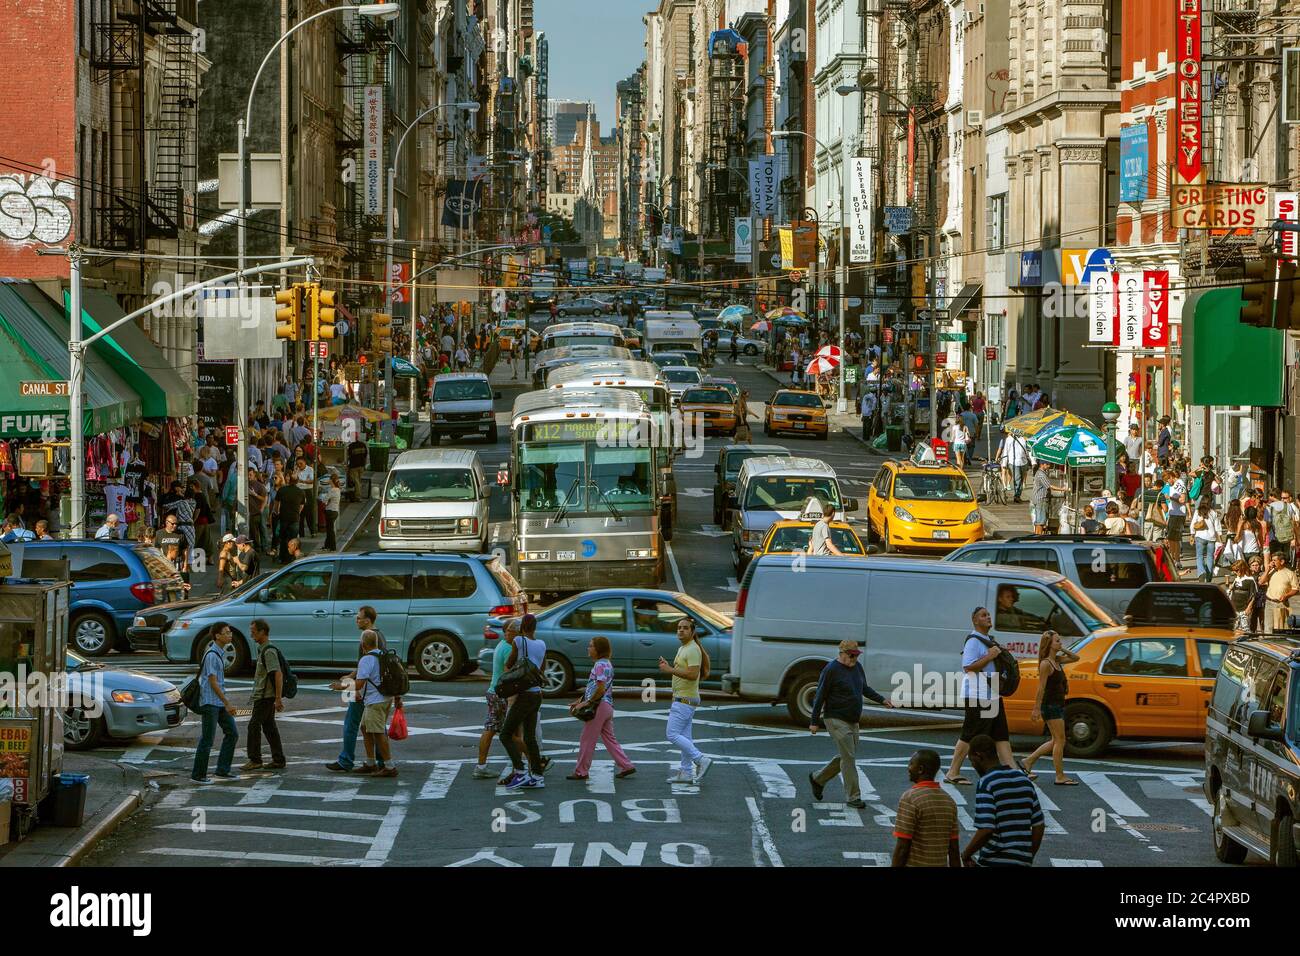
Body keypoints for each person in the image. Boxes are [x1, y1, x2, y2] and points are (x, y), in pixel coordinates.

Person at [808, 639, 892, 808]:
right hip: (835, 718)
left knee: (846, 755)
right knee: (849, 758)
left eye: (856, 655)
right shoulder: (831, 670)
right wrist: (814, 721)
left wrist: (882, 700)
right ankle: (853, 797)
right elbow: (820, 695)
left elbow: (864, 688)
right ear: (842, 654)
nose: (854, 659)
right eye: (851, 656)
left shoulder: (857, 668)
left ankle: (818, 779)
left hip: (853, 720)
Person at [944, 607, 1015, 785]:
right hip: (977, 694)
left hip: (992, 693)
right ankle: (952, 772)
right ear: (976, 621)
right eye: (984, 615)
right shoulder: (973, 642)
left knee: (1001, 734)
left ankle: (1013, 771)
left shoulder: (988, 640)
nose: (988, 617)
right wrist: (990, 656)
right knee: (970, 733)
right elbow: (968, 667)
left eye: (989, 615)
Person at [962, 734, 1045, 867]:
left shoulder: (987, 783)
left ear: (978, 756)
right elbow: (1038, 825)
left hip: (995, 860)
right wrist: (1028, 856)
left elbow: (986, 828)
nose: (972, 765)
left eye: (971, 761)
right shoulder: (1023, 779)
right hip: (1023, 860)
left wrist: (966, 854)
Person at [567, 635, 637, 781]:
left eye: (591, 646)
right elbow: (594, 687)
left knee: (587, 740)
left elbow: (599, 689)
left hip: (599, 706)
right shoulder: (607, 664)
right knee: (609, 739)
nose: (588, 648)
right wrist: (579, 700)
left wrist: (586, 703)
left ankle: (581, 771)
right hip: (607, 706)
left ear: (598, 649)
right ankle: (626, 765)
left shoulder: (599, 665)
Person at [1018, 631, 1080, 785]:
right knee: (1060, 740)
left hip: (1057, 704)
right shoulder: (1046, 664)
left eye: (1060, 640)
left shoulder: (1057, 660)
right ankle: (1059, 776)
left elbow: (1076, 658)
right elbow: (1041, 688)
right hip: (1050, 706)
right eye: (1057, 641)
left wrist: (1062, 649)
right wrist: (1036, 708)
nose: (1060, 643)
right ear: (1049, 644)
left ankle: (1028, 761)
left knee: (1056, 740)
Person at [327, 607, 384, 772]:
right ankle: (379, 761)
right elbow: (367, 663)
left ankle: (346, 760)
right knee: (374, 726)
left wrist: (353, 686)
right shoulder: (377, 635)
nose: (356, 620)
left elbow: (370, 664)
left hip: (365, 689)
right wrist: (351, 674)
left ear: (367, 620)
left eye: (359, 618)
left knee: (351, 723)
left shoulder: (369, 637)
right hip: (370, 688)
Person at [658, 617, 712, 785]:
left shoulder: (692, 649)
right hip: (684, 699)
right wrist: (671, 667)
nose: (681, 630)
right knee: (685, 738)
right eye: (679, 628)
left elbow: (692, 674)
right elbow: (683, 671)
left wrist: (669, 669)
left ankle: (701, 759)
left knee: (672, 734)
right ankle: (686, 772)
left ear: (692, 631)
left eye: (685, 628)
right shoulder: (684, 648)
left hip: (685, 700)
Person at [473, 617, 525, 779]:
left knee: (497, 728)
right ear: (508, 633)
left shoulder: (502, 645)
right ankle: (535, 760)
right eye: (514, 632)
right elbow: (508, 674)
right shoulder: (509, 649)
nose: (517, 636)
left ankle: (519, 764)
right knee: (506, 732)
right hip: (501, 694)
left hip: (494, 692)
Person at [501, 613, 548, 789]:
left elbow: (509, 662)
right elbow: (542, 668)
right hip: (537, 694)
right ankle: (537, 776)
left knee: (506, 734)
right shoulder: (542, 644)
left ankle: (520, 772)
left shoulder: (519, 642)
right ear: (535, 627)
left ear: (522, 627)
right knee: (530, 737)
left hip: (524, 694)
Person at [892, 749, 961, 867]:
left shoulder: (910, 798)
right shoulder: (949, 801)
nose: (908, 768)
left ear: (920, 770)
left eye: (911, 764)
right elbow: (954, 848)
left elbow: (902, 847)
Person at [191, 623, 239, 783]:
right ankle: (198, 775)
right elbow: (213, 682)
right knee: (207, 739)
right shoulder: (212, 655)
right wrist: (227, 703)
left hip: (218, 702)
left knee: (232, 733)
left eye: (230, 632)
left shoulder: (219, 652)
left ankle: (222, 770)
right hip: (210, 702)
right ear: (217, 636)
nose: (230, 635)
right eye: (226, 632)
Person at [241, 619, 286, 772]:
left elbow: (278, 674)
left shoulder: (269, 651)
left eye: (254, 632)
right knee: (269, 727)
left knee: (254, 725)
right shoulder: (263, 649)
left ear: (262, 632)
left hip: (266, 696)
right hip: (264, 695)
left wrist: (278, 698)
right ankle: (278, 759)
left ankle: (255, 759)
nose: (251, 634)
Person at [353, 629, 398, 777]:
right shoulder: (382, 655)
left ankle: (389, 766)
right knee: (365, 728)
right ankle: (370, 763)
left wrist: (341, 686)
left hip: (375, 701)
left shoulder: (366, 659)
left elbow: (359, 684)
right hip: (385, 698)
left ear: (362, 644)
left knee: (378, 733)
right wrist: (398, 698)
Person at [1261, 551, 1300, 633]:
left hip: (1282, 603)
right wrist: (1267, 570)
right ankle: (1268, 644)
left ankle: (1280, 644)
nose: (1272, 562)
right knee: (1268, 627)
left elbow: (1295, 589)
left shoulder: (1290, 573)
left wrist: (1286, 595)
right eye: (1272, 560)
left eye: (1274, 560)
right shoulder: (1271, 571)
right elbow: (1261, 582)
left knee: (1282, 628)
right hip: (1269, 602)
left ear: (1282, 561)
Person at [1192, 499, 1223, 583]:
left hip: (1200, 537)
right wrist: (1220, 538)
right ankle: (1208, 578)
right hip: (1211, 538)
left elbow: (1193, 524)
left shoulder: (1197, 511)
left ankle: (1202, 573)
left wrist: (1192, 534)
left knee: (1199, 556)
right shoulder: (1213, 512)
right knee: (1210, 557)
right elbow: (1217, 527)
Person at [1162, 468, 1188, 568]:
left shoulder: (1179, 483)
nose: (1168, 483)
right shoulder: (1173, 485)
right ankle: (1174, 559)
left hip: (1178, 514)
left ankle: (1176, 559)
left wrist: (1170, 498)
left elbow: (1182, 499)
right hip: (1173, 514)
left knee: (1174, 538)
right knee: (1172, 538)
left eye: (1168, 480)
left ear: (1172, 477)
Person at [1030, 461, 1064, 534]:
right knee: (1041, 521)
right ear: (1042, 465)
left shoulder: (1041, 473)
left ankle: (1037, 535)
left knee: (1039, 520)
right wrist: (1063, 489)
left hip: (1038, 498)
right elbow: (1049, 486)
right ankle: (1038, 536)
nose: (1049, 466)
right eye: (1047, 464)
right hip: (1041, 499)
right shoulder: (1041, 474)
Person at [997, 432, 1031, 503]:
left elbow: (1028, 450)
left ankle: (1018, 494)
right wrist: (1004, 463)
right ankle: (1017, 496)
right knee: (1017, 479)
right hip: (1013, 462)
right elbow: (1006, 451)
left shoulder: (1024, 439)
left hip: (1023, 461)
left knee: (1021, 479)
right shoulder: (1009, 439)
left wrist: (1032, 461)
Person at [1226, 560, 1259, 631]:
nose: (1235, 572)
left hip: (1244, 608)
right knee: (1234, 629)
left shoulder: (1250, 579)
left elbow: (1254, 595)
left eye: (1237, 570)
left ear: (1242, 569)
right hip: (1235, 608)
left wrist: (1249, 607)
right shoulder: (1236, 579)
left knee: (1245, 629)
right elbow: (1231, 593)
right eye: (1234, 570)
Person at [321, 471, 341, 551]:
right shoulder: (338, 490)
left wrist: (325, 501)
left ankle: (332, 547)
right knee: (330, 529)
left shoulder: (332, 490)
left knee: (330, 530)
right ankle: (327, 546)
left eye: (329, 479)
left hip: (330, 511)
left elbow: (324, 500)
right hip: (335, 511)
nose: (328, 480)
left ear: (331, 481)